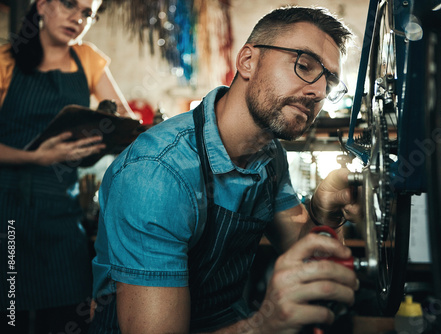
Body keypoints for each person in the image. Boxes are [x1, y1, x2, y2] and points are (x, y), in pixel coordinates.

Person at [90, 5, 361, 334]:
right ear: (248, 61)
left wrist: (325, 214)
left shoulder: (270, 155)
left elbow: (304, 254)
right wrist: (264, 324)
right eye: (304, 66)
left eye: (329, 83)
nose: (318, 91)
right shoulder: (157, 173)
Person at [0, 0, 135, 333]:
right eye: (69, 5)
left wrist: (102, 134)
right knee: (10, 312)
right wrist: (36, 158)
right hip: (7, 210)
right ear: (42, 7)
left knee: (68, 311)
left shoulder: (87, 59)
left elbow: (128, 124)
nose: (78, 17)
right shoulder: (5, 60)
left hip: (61, 210)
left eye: (88, 13)